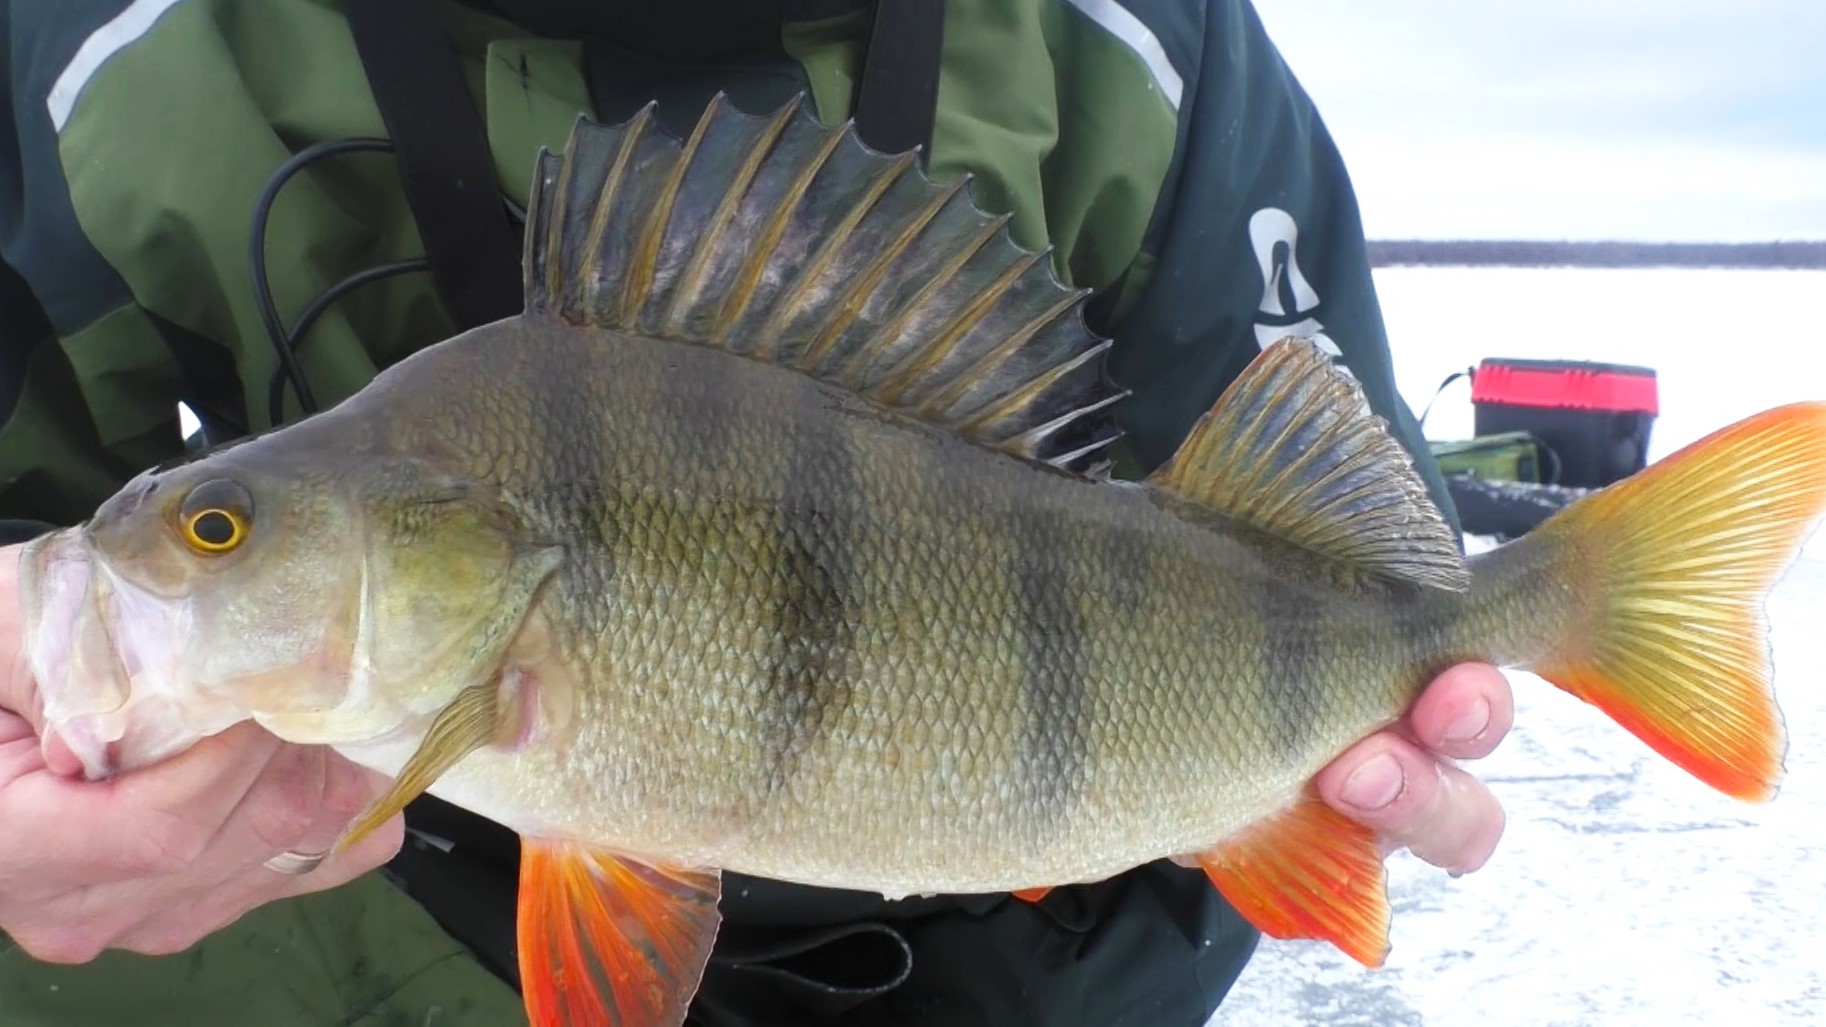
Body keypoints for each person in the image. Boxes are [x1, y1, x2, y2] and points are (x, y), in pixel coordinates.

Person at [0, 0, 1514, 1023]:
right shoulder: (105, 53)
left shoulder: (1125, 43)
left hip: (1054, 960)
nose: (190, 548)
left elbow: (1337, 546)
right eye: (222, 530)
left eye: (217, 531)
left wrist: (1349, 727)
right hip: (332, 949)